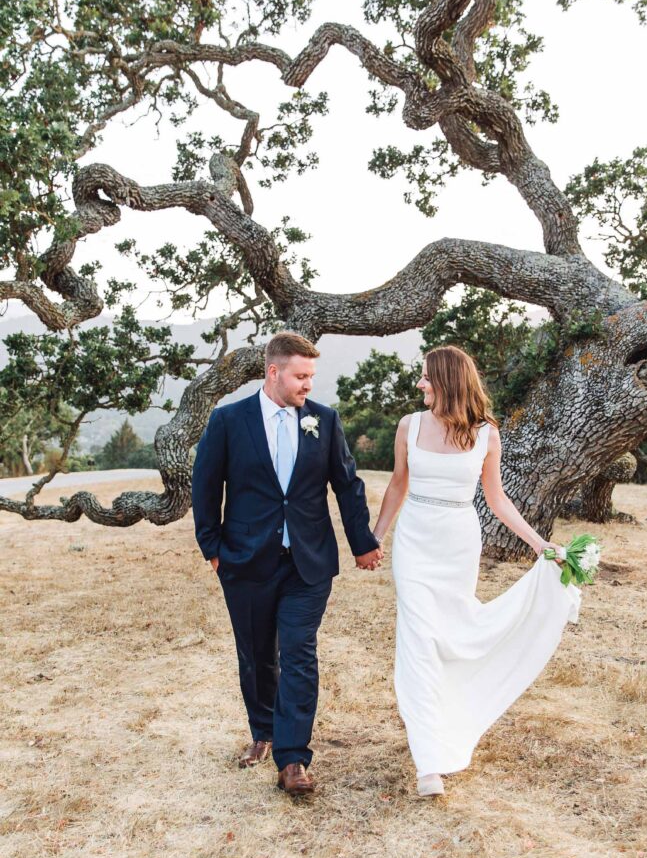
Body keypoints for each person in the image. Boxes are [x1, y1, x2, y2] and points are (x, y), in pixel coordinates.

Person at [372, 345, 581, 797]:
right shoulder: (409, 426)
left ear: (447, 381)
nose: (420, 384)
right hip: (415, 541)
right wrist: (376, 536)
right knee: (419, 638)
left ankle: (447, 721)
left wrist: (540, 545)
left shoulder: (486, 433)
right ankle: (428, 762)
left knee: (450, 633)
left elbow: (497, 499)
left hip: (458, 542)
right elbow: (397, 484)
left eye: (427, 377)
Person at [192, 332, 382, 796]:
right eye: (300, 376)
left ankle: (293, 758)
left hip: (308, 562)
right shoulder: (228, 420)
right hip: (245, 560)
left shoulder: (325, 420)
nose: (307, 386)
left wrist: (362, 542)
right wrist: (212, 547)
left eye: (311, 376)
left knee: (298, 652)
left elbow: (348, 485)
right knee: (257, 655)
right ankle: (264, 731)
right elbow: (205, 485)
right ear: (273, 372)